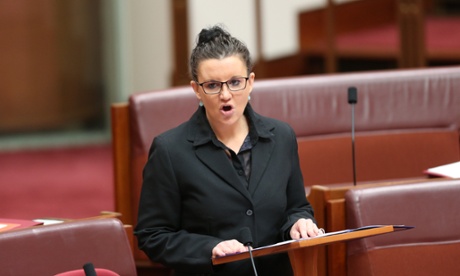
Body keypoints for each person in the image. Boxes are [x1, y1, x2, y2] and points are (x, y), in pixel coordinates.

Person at [135, 25, 321, 276]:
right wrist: (209, 248)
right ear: (196, 89)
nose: (225, 95)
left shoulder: (282, 137)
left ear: (250, 82)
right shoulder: (170, 150)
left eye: (235, 82)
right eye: (212, 85)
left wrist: (299, 223)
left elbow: (296, 207)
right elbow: (152, 235)